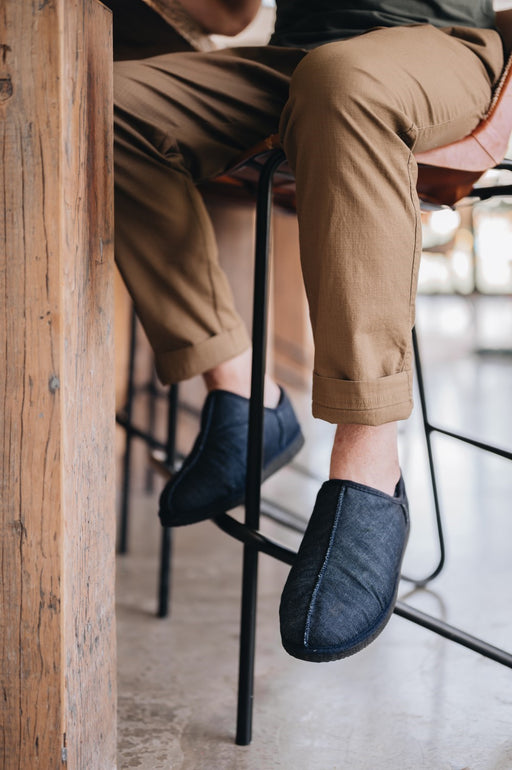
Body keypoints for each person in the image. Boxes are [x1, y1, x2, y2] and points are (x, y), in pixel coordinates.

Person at [113, 0, 504, 662]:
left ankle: (371, 466)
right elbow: (233, 17)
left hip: (443, 52)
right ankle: (242, 392)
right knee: (99, 104)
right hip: (294, 62)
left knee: (344, 80)